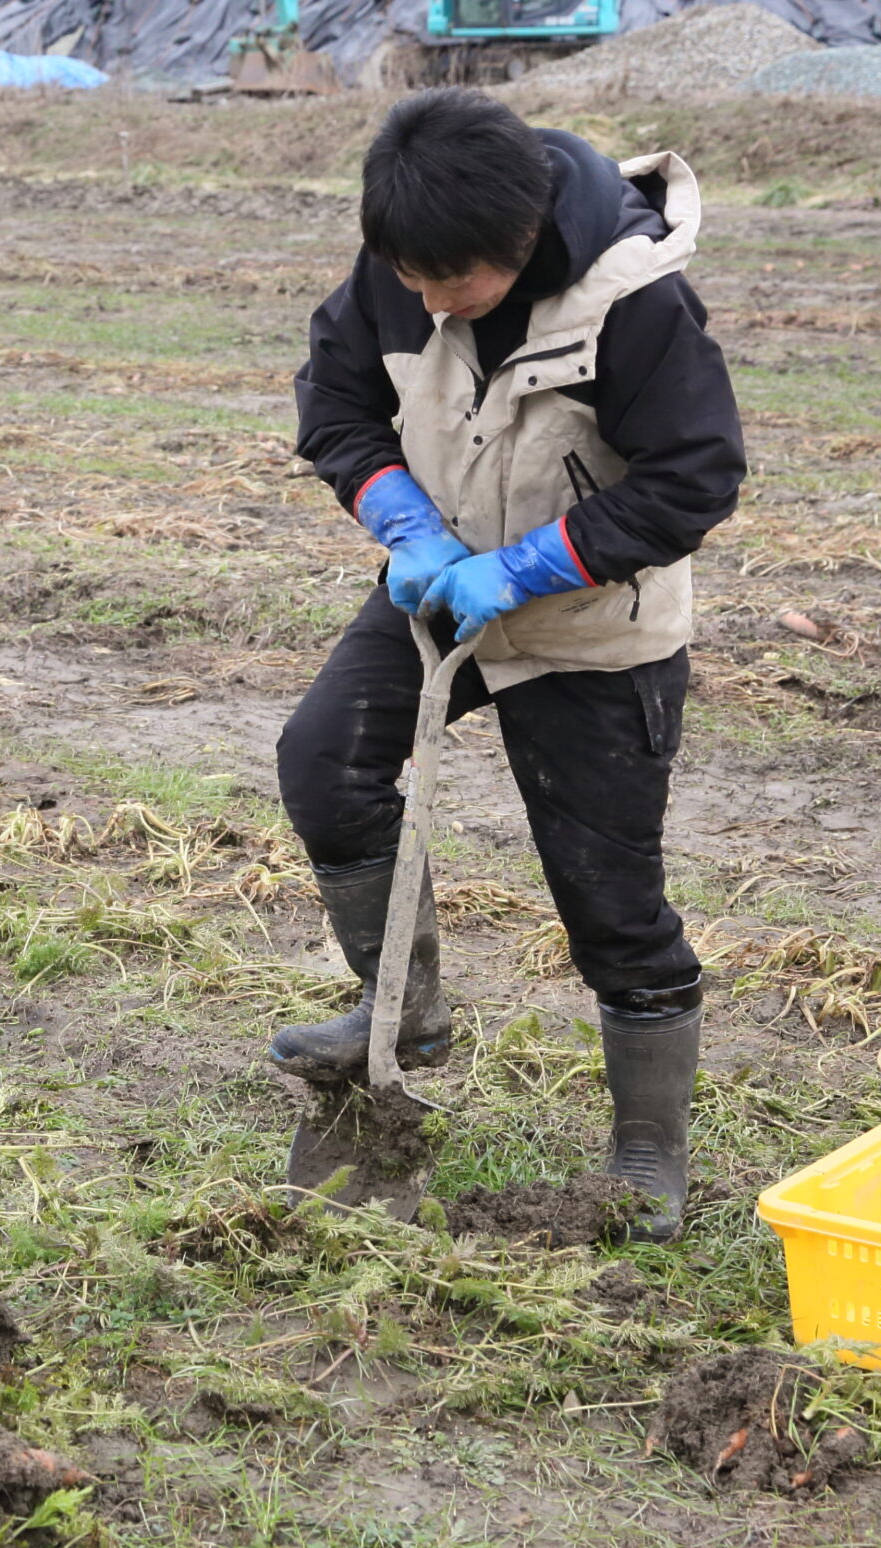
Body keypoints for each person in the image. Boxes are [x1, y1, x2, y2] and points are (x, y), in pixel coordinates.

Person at [273, 90, 746, 1241]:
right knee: (322, 763)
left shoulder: (632, 302)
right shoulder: (408, 257)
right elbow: (333, 399)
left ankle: (644, 1150)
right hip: (447, 592)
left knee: (608, 900)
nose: (430, 303)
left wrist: (527, 567)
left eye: (457, 286)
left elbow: (695, 477)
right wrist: (404, 525)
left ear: (523, 240)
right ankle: (406, 1010)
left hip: (593, 625)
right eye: (414, 280)